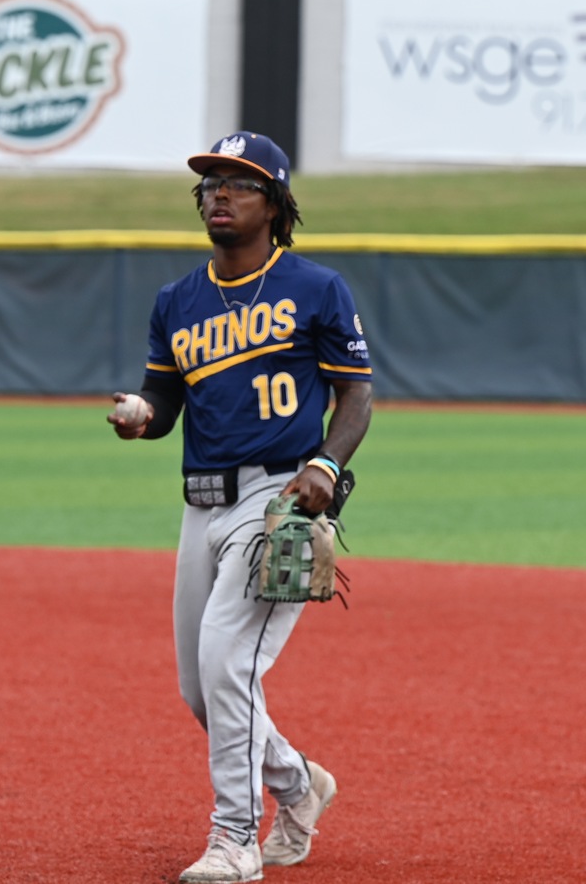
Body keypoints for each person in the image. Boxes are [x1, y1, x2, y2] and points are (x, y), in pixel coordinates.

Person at [108, 131, 374, 884]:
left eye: (238, 183)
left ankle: (234, 839)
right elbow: (164, 400)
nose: (218, 195)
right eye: (209, 185)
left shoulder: (317, 288)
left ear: (275, 204)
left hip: (279, 497)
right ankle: (297, 785)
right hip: (201, 503)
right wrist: (140, 414)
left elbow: (355, 392)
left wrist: (326, 461)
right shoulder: (177, 301)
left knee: (227, 662)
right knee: (201, 686)